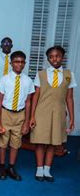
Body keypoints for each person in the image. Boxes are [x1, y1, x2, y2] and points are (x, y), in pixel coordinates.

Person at [30, 46, 76, 182]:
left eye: (57, 56)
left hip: (58, 113)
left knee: (52, 142)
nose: (54, 59)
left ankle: (47, 169)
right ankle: (39, 169)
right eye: (51, 56)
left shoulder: (69, 75)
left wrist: (72, 118)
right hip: (41, 112)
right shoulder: (41, 74)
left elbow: (69, 98)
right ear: (48, 59)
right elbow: (36, 96)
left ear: (62, 57)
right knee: (40, 141)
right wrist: (32, 115)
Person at [0, 51, 34, 181]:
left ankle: (11, 167)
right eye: (17, 61)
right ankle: (2, 166)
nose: (19, 64)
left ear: (25, 64)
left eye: (22, 62)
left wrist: (26, 121)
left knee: (16, 143)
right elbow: (0, 101)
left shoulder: (28, 81)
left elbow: (28, 102)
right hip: (6, 113)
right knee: (2, 141)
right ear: (11, 63)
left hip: (20, 114)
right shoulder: (4, 79)